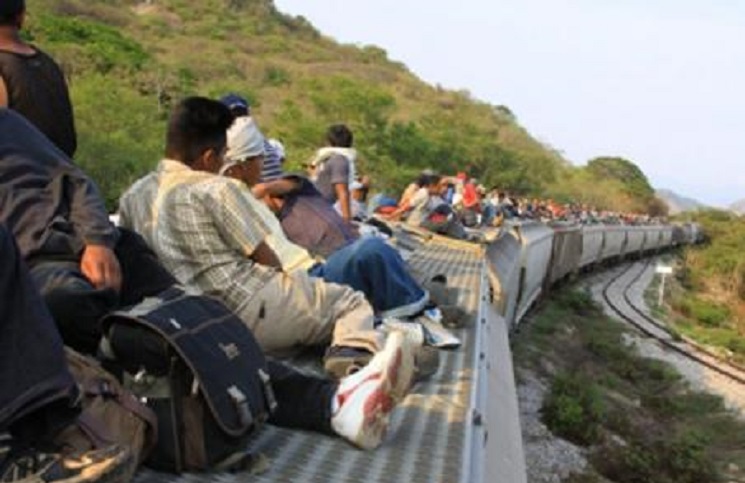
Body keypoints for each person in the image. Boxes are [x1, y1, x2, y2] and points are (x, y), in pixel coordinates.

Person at [118, 97, 389, 378]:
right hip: (246, 306)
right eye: (222, 155)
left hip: (191, 320)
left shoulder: (133, 196)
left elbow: (136, 257)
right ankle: (350, 360)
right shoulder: (217, 188)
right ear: (209, 157)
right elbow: (266, 260)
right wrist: (293, 294)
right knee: (349, 301)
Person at [0, 108, 175, 355]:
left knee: (167, 291)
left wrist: (98, 242)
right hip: (35, 268)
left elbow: (78, 180)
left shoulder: (8, 124)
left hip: (86, 240)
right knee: (60, 302)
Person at [224, 119, 433, 321]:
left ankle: (415, 303)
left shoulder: (299, 192)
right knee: (372, 250)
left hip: (319, 267)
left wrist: (261, 190)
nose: (262, 164)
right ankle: (414, 309)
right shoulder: (242, 208)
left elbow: (288, 185)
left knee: (378, 249)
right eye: (259, 158)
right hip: (306, 280)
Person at [0, 223, 133, 482]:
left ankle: (24, 438)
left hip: (61, 254)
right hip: (35, 261)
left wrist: (98, 240)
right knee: (61, 299)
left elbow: (86, 202)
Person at [0, 0, 76, 157]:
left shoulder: (4, 66)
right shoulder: (47, 63)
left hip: (20, 169)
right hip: (63, 166)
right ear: (21, 17)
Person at [308, 124, 357, 221]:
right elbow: (342, 191)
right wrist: (347, 220)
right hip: (330, 210)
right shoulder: (340, 159)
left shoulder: (325, 158)